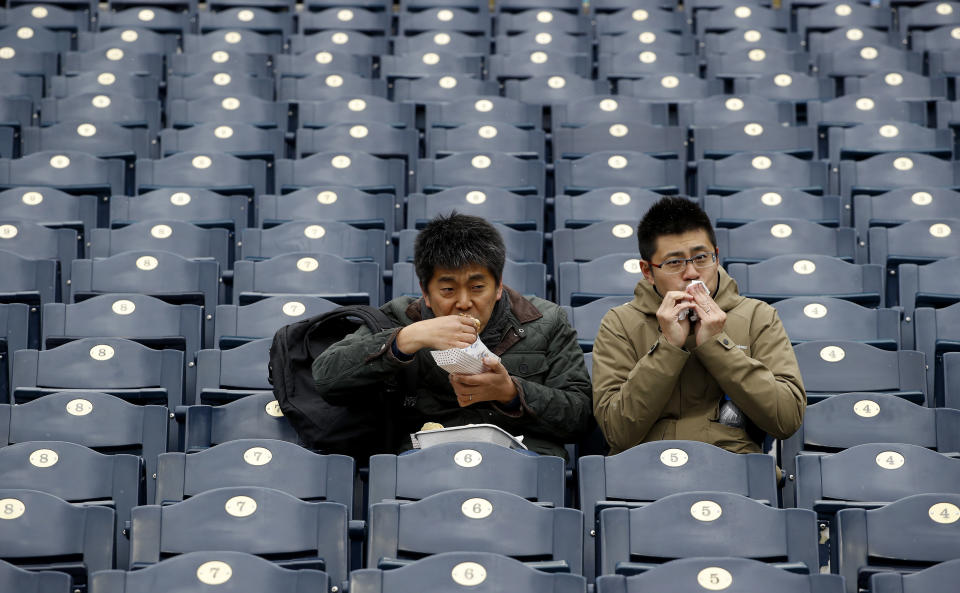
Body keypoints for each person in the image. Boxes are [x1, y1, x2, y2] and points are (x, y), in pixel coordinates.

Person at [312, 213, 593, 458]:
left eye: (477, 287)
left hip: (523, 466)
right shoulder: (399, 318)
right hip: (424, 465)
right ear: (426, 291)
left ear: (498, 288)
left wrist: (510, 393)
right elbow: (326, 379)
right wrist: (404, 340)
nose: (463, 302)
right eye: (447, 290)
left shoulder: (546, 320)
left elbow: (580, 417)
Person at [591, 196, 806, 455]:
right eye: (674, 263)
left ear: (716, 257)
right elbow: (617, 432)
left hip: (734, 466)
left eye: (701, 258)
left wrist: (717, 345)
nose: (692, 272)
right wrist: (668, 347)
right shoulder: (620, 324)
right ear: (648, 271)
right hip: (645, 466)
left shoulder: (758, 316)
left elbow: (787, 419)